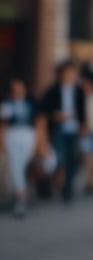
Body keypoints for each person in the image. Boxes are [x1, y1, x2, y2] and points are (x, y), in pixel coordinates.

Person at [40, 61, 87, 202]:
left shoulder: (79, 90)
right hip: (58, 129)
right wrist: (55, 115)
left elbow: (82, 110)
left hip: (73, 128)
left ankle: (68, 187)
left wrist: (84, 125)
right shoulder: (52, 91)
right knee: (58, 158)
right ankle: (54, 183)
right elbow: (45, 110)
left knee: (73, 159)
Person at [0, 79, 45, 218]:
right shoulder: (6, 103)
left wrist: (40, 141)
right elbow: (4, 124)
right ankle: (21, 197)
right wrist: (2, 141)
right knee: (16, 165)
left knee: (23, 163)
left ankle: (21, 191)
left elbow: (39, 123)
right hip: (12, 134)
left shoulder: (31, 102)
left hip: (28, 134)